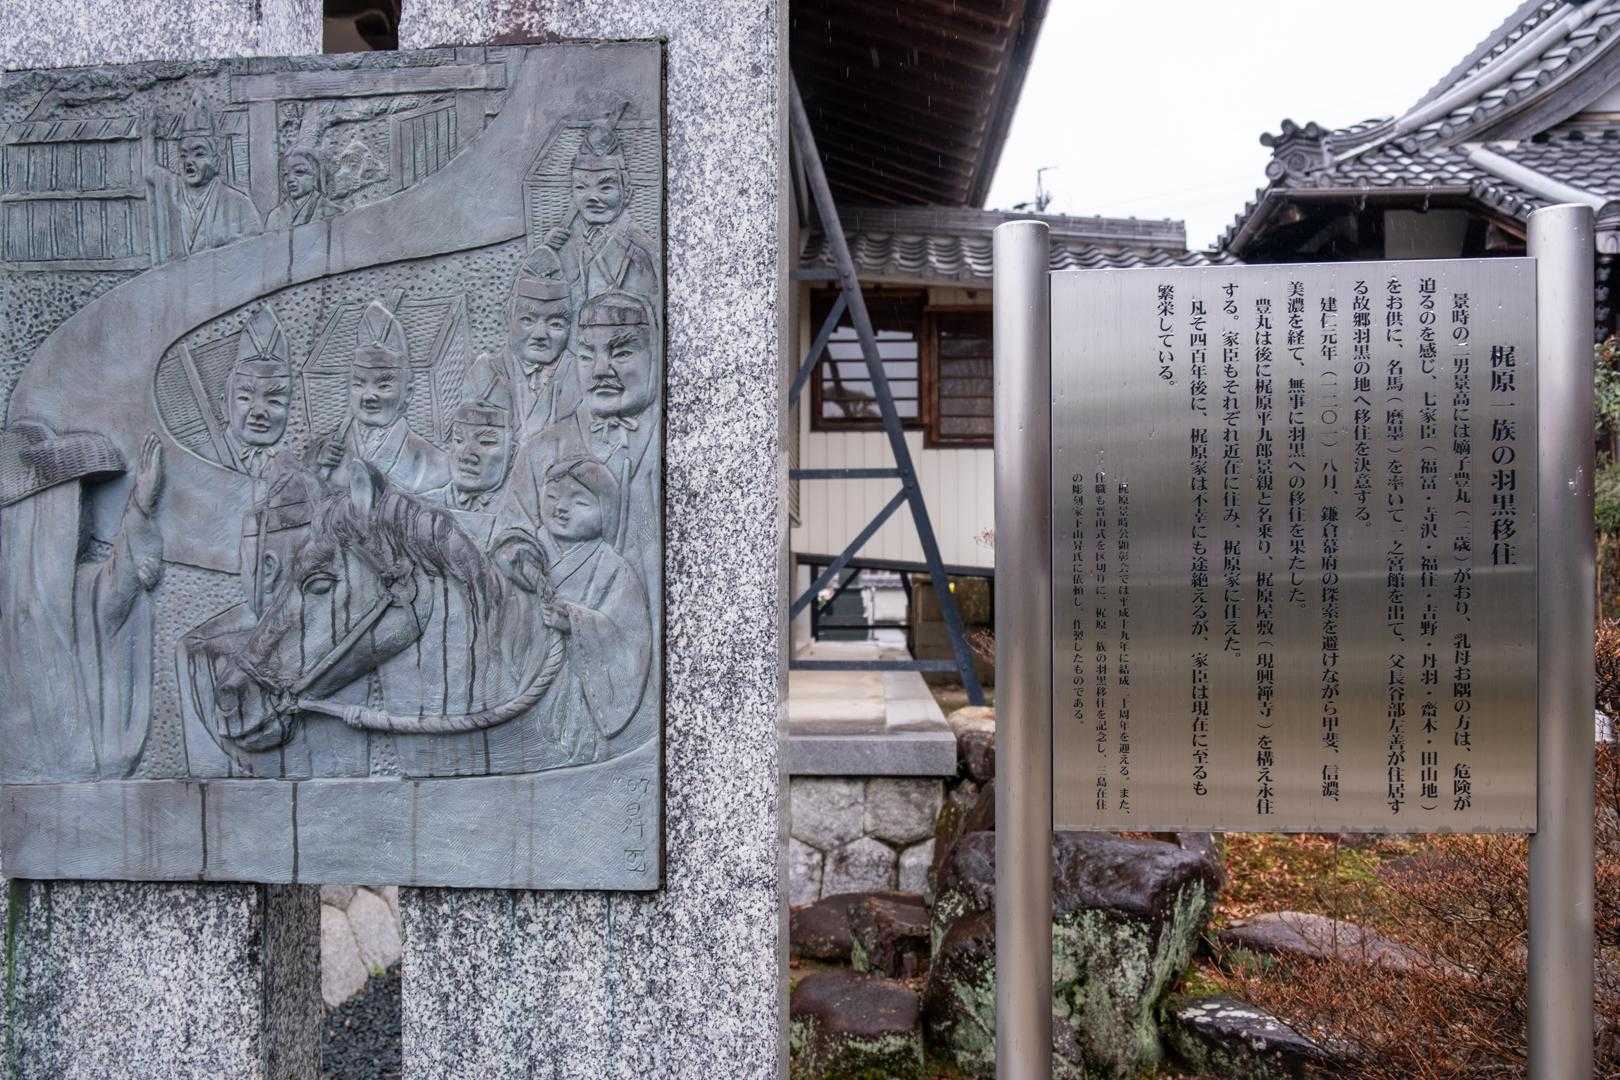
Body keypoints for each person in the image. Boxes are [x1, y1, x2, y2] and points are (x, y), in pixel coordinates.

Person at [486, 456, 652, 773]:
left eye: (579, 503)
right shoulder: (525, 552)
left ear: (606, 513)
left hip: (573, 690)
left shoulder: (613, 569)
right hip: (514, 679)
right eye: (552, 497)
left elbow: (630, 640)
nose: (561, 508)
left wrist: (575, 621)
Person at [500, 290, 662, 599]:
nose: (600, 370)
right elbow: (510, 534)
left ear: (653, 355)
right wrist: (525, 561)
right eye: (587, 355)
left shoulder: (664, 444)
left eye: (621, 354)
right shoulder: (542, 449)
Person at [315, 297, 449, 494]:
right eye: (359, 384)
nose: (368, 396)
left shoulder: (434, 462)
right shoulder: (326, 453)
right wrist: (317, 470)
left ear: (408, 392)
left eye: (383, 385)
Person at [462, 247, 583, 444]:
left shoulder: (580, 374)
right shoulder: (484, 374)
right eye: (528, 320)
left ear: (571, 326)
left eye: (555, 324)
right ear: (508, 317)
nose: (540, 334)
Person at [542, 117, 660, 312]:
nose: (592, 197)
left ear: (626, 192)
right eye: (581, 187)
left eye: (605, 188)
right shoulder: (564, 242)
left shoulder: (641, 246)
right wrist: (547, 251)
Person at [149, 95, 261, 262]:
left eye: (199, 154)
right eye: (183, 155)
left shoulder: (239, 204)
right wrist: (147, 136)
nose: (189, 161)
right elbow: (150, 173)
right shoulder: (175, 191)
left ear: (216, 160)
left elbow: (256, 253)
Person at [425, 365, 516, 548]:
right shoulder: (425, 506)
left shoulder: (519, 513)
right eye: (459, 440)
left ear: (512, 453)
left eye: (486, 442)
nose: (467, 456)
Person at [219, 304, 292, 479]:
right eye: (245, 398)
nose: (259, 412)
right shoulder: (201, 458)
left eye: (274, 401)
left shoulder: (292, 467)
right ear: (224, 405)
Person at [265, 145, 341, 230]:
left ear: (316, 175)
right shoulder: (274, 217)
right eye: (285, 174)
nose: (290, 179)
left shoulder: (332, 211)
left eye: (299, 171)